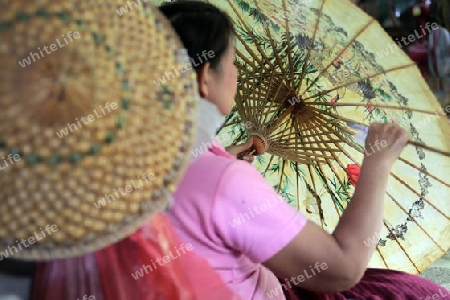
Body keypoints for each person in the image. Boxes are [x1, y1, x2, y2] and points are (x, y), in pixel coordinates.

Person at [159, 1, 449, 299]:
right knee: (409, 291)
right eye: (233, 62)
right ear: (205, 75)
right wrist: (377, 161)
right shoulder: (224, 181)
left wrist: (217, 162)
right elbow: (342, 269)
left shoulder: (135, 155)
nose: (236, 73)